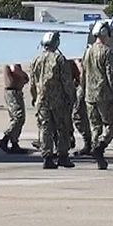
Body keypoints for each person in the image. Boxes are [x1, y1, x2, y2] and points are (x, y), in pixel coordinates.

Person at [31, 32, 77, 169]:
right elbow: (66, 81)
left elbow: (33, 83)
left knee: (45, 128)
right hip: (58, 101)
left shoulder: (36, 60)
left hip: (42, 100)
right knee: (62, 128)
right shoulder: (59, 59)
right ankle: (62, 156)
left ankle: (47, 157)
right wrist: (71, 97)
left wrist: (34, 97)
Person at [81, 20, 113, 170]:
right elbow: (111, 75)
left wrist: (83, 91)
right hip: (104, 95)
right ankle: (100, 147)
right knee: (112, 126)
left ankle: (97, 154)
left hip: (89, 95)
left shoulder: (87, 51)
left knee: (95, 126)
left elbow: (83, 74)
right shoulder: (108, 52)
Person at [0, 64, 29, 154]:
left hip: (14, 91)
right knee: (19, 117)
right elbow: (14, 69)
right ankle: (5, 139)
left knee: (16, 118)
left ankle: (14, 143)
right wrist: (25, 75)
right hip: (13, 92)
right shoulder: (12, 57)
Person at [69, 59, 93, 156]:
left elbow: (81, 72)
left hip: (80, 89)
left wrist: (81, 85)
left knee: (78, 115)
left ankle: (88, 143)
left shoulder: (76, 58)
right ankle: (68, 138)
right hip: (70, 90)